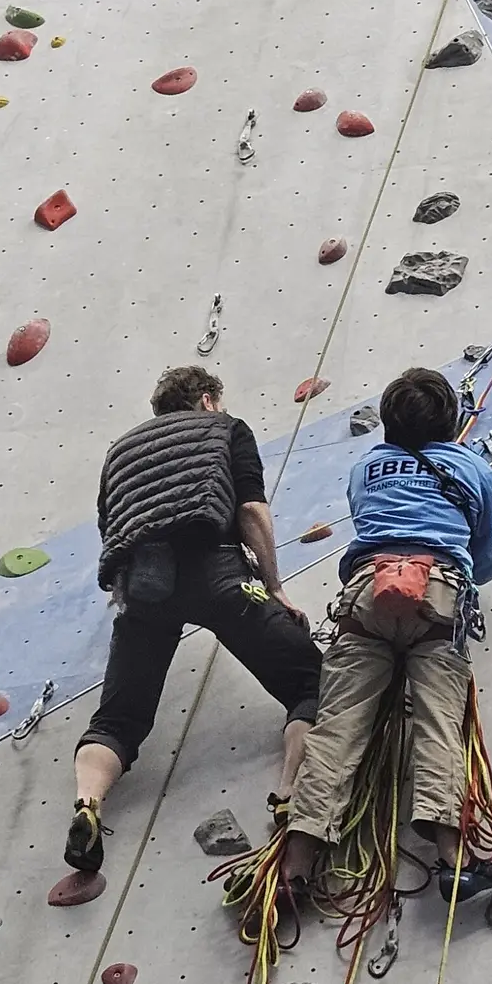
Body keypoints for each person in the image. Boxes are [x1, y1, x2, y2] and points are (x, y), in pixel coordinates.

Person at [281, 368, 492, 902]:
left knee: (336, 731)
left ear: (389, 423)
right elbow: (486, 557)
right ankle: (454, 863)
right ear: (450, 421)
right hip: (437, 597)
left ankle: (294, 870)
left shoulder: (367, 466)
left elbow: (365, 519)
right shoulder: (470, 465)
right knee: (439, 724)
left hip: (367, 595)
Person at [65, 365, 321, 874]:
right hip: (217, 572)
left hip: (144, 589)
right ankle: (290, 794)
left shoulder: (120, 452)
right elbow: (251, 512)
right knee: (310, 682)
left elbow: (111, 529)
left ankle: (88, 804)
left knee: (116, 723)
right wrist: (275, 587)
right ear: (207, 400)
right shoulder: (225, 428)